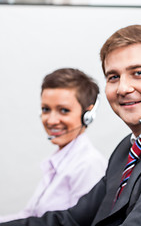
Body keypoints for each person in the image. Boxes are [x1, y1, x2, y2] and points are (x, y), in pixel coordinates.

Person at [1, 25, 141, 226]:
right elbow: (71, 220)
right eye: (113, 77)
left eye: (138, 73)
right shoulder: (128, 148)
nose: (122, 88)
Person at [0, 68, 107, 222]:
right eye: (46, 109)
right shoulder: (57, 162)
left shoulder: (88, 165)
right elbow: (28, 216)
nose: (51, 120)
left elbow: (81, 222)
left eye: (63, 110)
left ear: (87, 115)